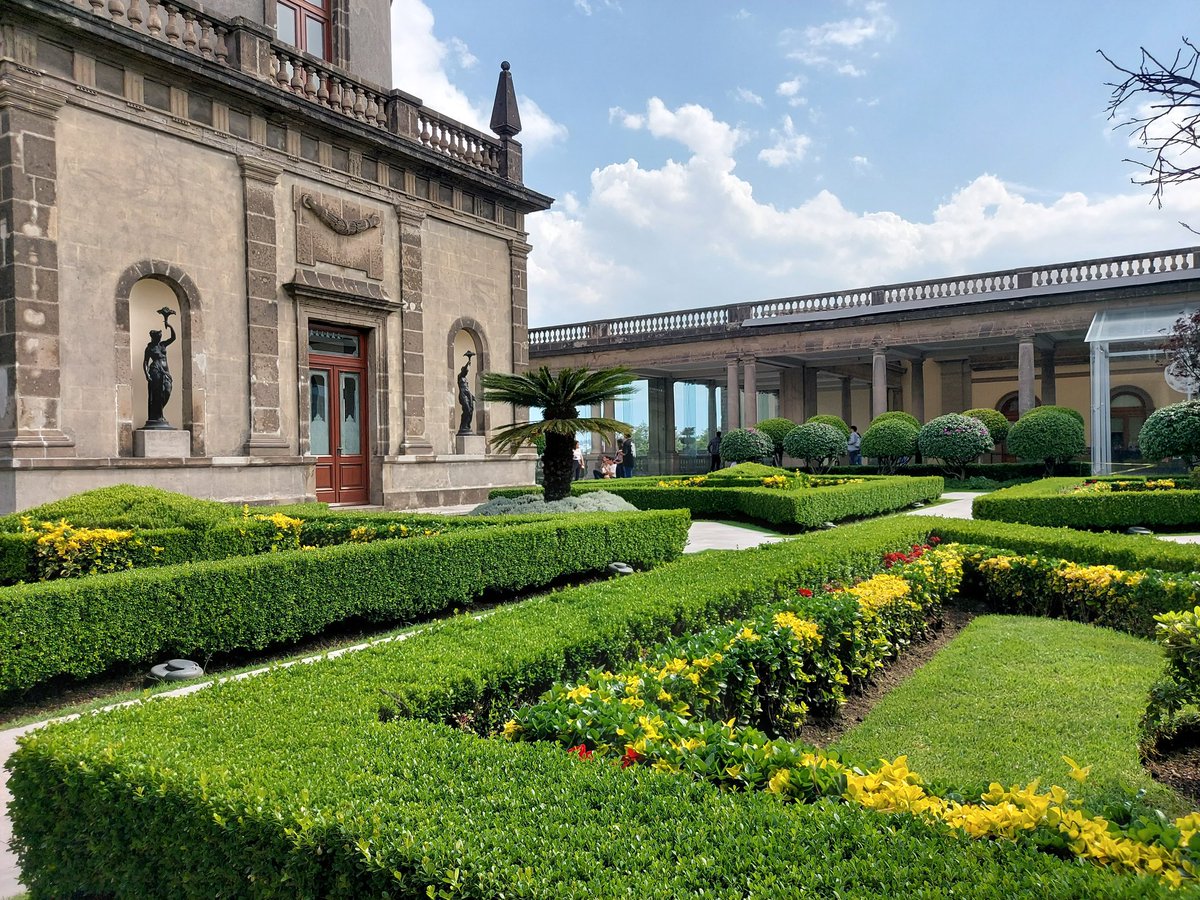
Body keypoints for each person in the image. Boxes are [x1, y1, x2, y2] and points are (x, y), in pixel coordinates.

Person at [143, 315, 177, 427]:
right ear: (154, 337)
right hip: (155, 371)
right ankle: (158, 416)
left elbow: (173, 338)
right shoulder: (150, 348)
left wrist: (169, 325)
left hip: (166, 372)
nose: (160, 338)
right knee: (157, 394)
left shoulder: (163, 345)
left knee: (167, 390)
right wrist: (147, 374)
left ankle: (159, 413)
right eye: (158, 337)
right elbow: (145, 362)